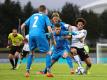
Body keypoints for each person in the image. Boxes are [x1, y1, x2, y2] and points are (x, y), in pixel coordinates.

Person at [21, 5, 55, 77]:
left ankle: (27, 72)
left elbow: (22, 26)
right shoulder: (45, 16)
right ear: (45, 10)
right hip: (40, 35)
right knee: (48, 52)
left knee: (31, 53)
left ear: (39, 10)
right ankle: (48, 72)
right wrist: (52, 38)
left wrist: (24, 37)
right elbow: (49, 29)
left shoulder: (33, 15)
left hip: (31, 35)